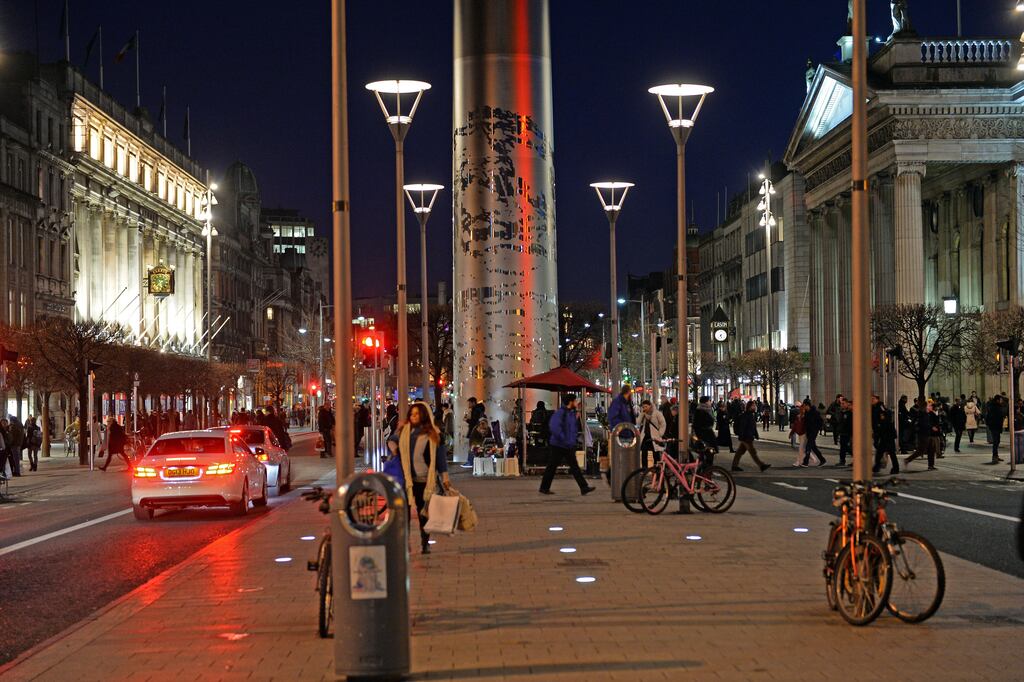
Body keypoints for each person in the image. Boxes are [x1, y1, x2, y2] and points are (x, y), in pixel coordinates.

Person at [387, 401, 450, 555]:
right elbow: (391, 440)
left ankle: (425, 541)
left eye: (417, 414)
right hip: (405, 480)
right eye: (412, 414)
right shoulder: (404, 431)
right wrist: (394, 448)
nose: (414, 416)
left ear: (424, 415)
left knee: (424, 513)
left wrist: (445, 476)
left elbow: (440, 457)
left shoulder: (433, 433)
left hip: (424, 479)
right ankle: (405, 542)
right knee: (404, 513)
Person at [539, 394, 596, 496]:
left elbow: (572, 429)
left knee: (573, 467)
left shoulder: (570, 413)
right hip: (559, 445)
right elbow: (554, 427)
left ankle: (584, 487)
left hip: (567, 445)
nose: (576, 403)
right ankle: (544, 487)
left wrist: (571, 440)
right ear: (570, 402)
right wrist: (564, 438)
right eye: (574, 401)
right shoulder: (561, 413)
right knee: (553, 466)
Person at [731, 401, 770, 473]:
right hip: (746, 437)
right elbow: (743, 426)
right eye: (753, 406)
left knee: (739, 452)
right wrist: (741, 436)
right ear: (749, 407)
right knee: (753, 452)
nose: (755, 407)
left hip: (747, 436)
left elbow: (753, 427)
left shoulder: (750, 415)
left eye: (755, 406)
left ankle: (734, 466)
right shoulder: (746, 416)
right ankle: (761, 465)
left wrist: (756, 434)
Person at [906, 401, 940, 470]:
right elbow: (923, 424)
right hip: (923, 435)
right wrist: (932, 427)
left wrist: (935, 414)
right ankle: (907, 460)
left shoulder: (929, 414)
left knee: (931, 449)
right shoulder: (923, 414)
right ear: (926, 406)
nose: (931, 407)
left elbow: (935, 421)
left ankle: (931, 465)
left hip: (928, 434)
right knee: (921, 450)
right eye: (930, 405)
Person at [637, 399, 667, 470]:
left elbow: (663, 424)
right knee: (644, 453)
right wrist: (642, 414)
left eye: (646, 406)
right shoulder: (644, 414)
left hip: (655, 437)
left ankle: (657, 470)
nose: (644, 408)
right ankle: (645, 470)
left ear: (650, 406)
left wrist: (660, 434)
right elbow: (638, 422)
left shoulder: (657, 413)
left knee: (655, 454)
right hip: (646, 437)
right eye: (643, 407)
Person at [872, 400, 900, 475]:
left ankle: (878, 467)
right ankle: (894, 468)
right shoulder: (885, 411)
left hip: (886, 435)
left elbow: (883, 423)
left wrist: (878, 433)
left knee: (885, 452)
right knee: (889, 453)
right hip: (888, 435)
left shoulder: (881, 411)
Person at [802, 400, 826, 466]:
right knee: (813, 447)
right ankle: (822, 459)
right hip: (808, 431)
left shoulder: (815, 412)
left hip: (814, 431)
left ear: (808, 405)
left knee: (808, 446)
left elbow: (820, 421)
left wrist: (817, 429)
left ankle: (805, 462)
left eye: (805, 406)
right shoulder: (806, 412)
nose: (804, 407)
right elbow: (806, 422)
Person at [985, 395, 1005, 464]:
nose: (1001, 401)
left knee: (997, 441)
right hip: (994, 426)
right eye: (1000, 399)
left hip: (997, 426)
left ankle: (996, 455)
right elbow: (990, 417)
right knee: (996, 442)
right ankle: (994, 456)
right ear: (997, 400)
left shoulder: (997, 406)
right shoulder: (993, 407)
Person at [837, 398, 852, 467]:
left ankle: (857, 459)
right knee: (843, 447)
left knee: (846, 447)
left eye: (843, 403)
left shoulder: (850, 413)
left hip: (848, 433)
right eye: (841, 403)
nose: (841, 405)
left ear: (847, 404)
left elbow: (850, 424)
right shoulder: (842, 412)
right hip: (842, 432)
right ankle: (842, 461)